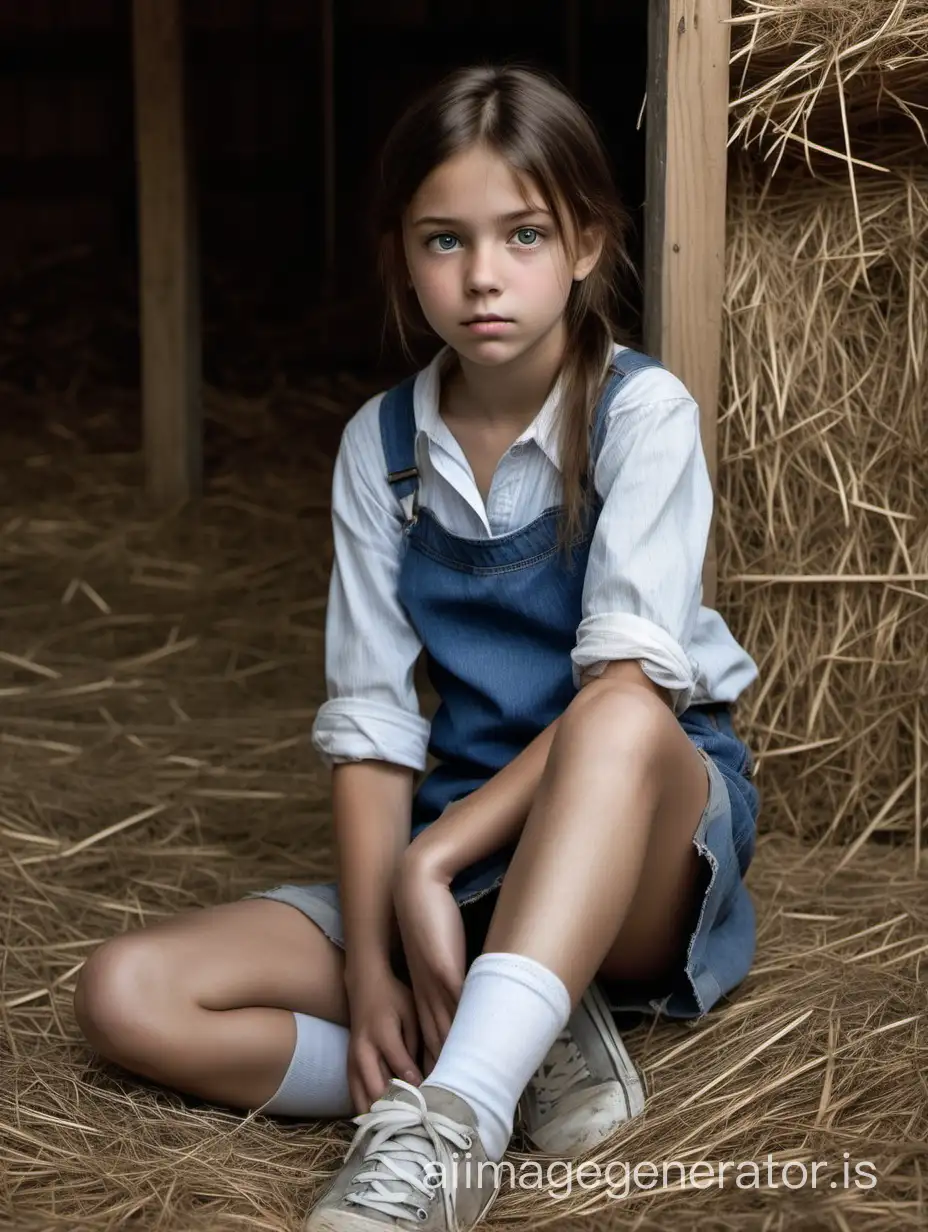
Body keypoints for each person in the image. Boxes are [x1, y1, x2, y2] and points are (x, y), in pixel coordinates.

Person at [73, 63, 759, 1232]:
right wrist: (376, 968)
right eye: (443, 240)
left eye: (523, 234)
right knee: (127, 993)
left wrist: (430, 862)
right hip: (463, 850)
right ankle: (496, 1047)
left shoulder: (640, 415)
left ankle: (456, 1128)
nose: (482, 275)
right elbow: (374, 727)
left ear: (587, 241)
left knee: (625, 709)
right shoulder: (377, 449)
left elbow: (631, 688)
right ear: (401, 252)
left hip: (640, 840)